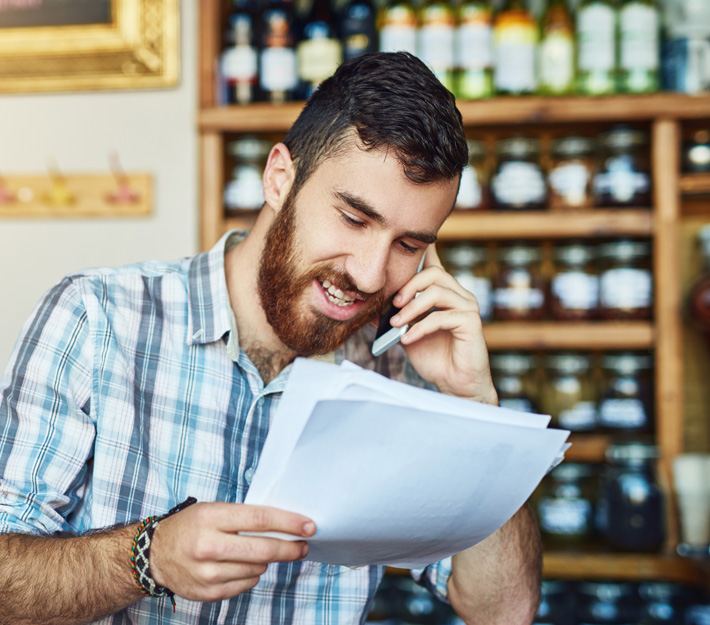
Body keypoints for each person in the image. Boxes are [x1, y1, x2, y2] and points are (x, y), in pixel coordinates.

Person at [0, 52, 541, 625]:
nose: (370, 274)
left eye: (408, 245)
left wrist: (477, 409)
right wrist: (146, 557)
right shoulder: (97, 318)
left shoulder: (404, 370)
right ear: (280, 177)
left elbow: (505, 610)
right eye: (354, 219)